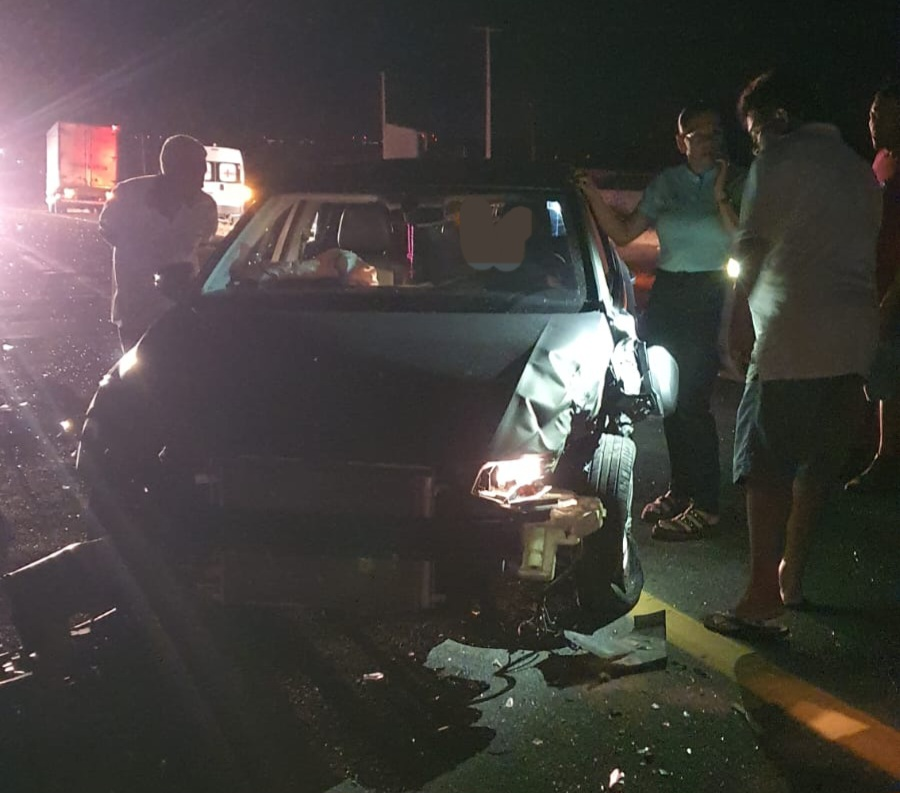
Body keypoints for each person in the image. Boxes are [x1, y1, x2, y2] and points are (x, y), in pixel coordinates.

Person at [704, 69, 881, 639]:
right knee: (816, 468)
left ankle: (760, 596)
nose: (755, 141)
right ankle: (791, 578)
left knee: (766, 466)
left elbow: (751, 246)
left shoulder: (778, 162)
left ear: (779, 117)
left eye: (755, 128)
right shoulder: (858, 169)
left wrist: (735, 320)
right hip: (853, 343)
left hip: (790, 342)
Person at [578, 105, 746, 541]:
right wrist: (592, 194)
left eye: (714, 132)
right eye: (697, 135)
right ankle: (682, 489)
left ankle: (706, 505)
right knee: (668, 397)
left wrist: (721, 193)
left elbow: (745, 239)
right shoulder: (667, 183)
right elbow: (624, 232)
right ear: (680, 142)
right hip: (670, 293)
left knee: (693, 400)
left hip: (711, 292)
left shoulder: (738, 181)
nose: (708, 142)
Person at [99, 134, 218, 352]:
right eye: (195, 167)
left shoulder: (206, 206)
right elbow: (109, 231)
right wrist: (142, 255)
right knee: (137, 369)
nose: (203, 174)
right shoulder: (127, 195)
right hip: (136, 310)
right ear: (172, 167)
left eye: (203, 167)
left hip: (181, 311)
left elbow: (205, 246)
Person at [844, 80, 900, 494]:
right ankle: (875, 451)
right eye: (872, 114)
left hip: (892, 289)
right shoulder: (880, 161)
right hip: (874, 283)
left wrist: (889, 300)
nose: (874, 122)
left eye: (884, 115)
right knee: (879, 371)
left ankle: (886, 459)